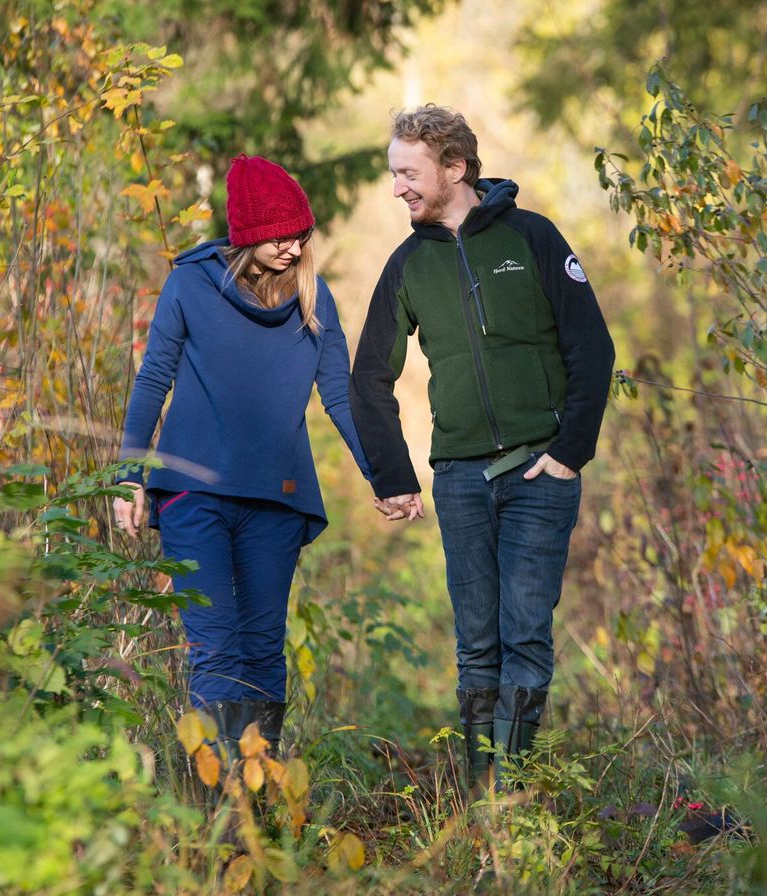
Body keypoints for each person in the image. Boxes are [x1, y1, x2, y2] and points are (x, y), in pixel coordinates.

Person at [351, 104, 615, 789]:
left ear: (455, 168)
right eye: (394, 174)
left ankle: (515, 794)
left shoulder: (532, 238)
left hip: (540, 472)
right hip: (461, 479)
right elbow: (369, 376)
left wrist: (568, 453)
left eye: (408, 173)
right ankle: (482, 800)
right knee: (476, 646)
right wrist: (393, 475)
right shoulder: (408, 264)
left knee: (525, 634)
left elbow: (592, 347)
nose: (398, 188)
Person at [114, 154, 370, 758]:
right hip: (191, 494)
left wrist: (385, 476)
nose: (292, 247)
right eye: (280, 235)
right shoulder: (190, 284)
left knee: (261, 648)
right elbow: (154, 379)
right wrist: (128, 475)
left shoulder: (314, 298)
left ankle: (257, 802)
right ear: (248, 232)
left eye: (301, 234)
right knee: (215, 648)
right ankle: (223, 813)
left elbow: (339, 394)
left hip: (276, 499)